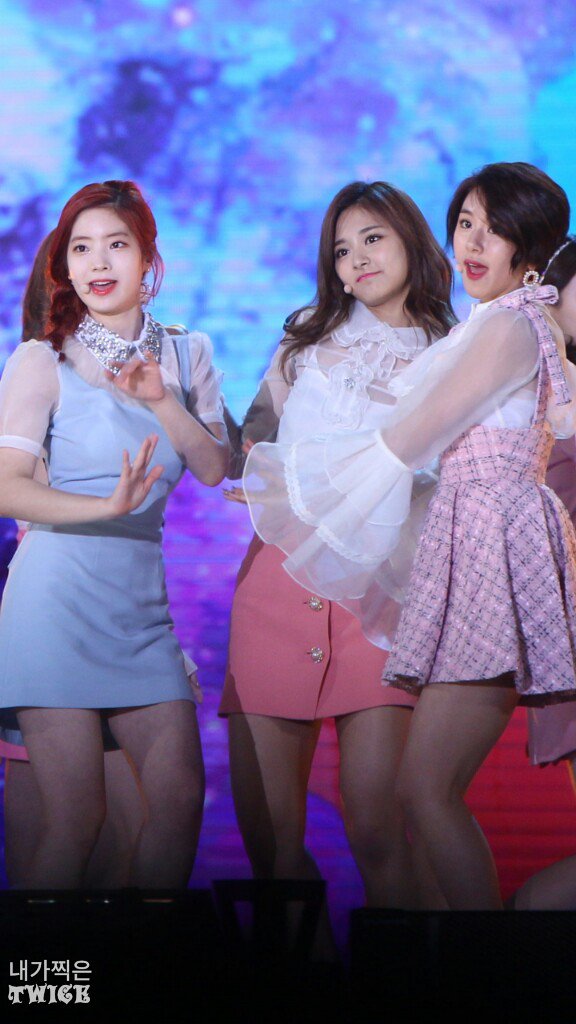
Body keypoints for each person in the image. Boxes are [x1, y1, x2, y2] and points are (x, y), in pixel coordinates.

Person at [241, 162, 576, 910]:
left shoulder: (507, 324)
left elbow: (409, 438)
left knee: (422, 793)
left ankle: (478, 963)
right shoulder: (493, 323)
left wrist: (298, 480)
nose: (474, 243)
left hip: (487, 541)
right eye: (466, 225)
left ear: (532, 243)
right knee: (424, 791)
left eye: (494, 228)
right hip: (467, 539)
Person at [221, 180, 455, 915]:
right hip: (278, 583)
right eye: (341, 250)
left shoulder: (457, 349)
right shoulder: (304, 339)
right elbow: (250, 443)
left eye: (372, 238)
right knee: (271, 842)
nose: (357, 259)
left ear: (412, 239)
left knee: (378, 826)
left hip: (383, 594)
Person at [0, 179, 229, 888]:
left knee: (179, 803)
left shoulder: (187, 353)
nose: (99, 263)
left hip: (141, 612)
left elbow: (214, 467)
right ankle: (43, 964)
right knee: (77, 820)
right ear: (65, 266)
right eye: (82, 248)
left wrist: (161, 400)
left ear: (148, 260)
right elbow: (7, 487)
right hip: (54, 603)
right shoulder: (43, 358)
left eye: (117, 245)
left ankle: (139, 952)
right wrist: (103, 507)